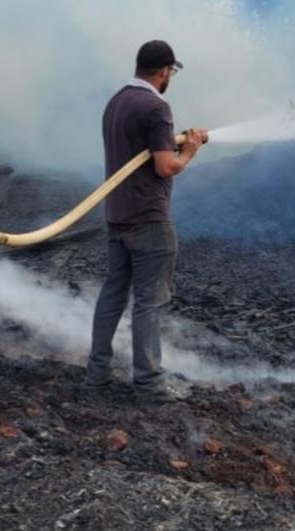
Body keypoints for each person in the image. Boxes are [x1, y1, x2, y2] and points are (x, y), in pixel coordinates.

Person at [85, 40, 207, 402]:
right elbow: (165, 166)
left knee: (112, 295)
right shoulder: (157, 106)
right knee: (150, 302)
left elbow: (142, 149)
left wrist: (172, 141)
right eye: (172, 72)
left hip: (116, 215)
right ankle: (149, 384)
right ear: (165, 70)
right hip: (148, 219)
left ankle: (97, 373)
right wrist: (189, 150)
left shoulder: (117, 102)